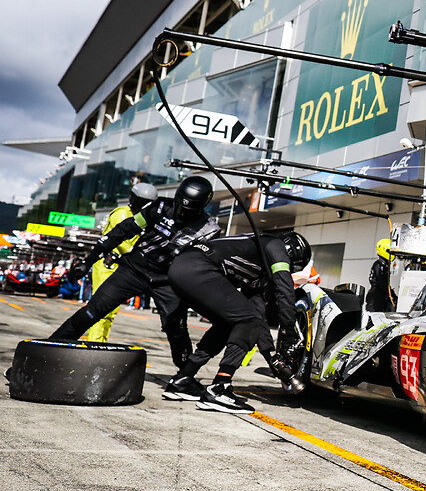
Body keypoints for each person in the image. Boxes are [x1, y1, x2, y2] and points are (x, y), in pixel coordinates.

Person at [52, 176, 218, 368]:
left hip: (168, 281)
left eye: (188, 212)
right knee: (92, 311)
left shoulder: (210, 230)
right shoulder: (160, 206)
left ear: (202, 206)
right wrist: (88, 262)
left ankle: (185, 378)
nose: (181, 214)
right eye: (180, 207)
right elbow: (123, 230)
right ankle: (48, 348)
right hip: (133, 270)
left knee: (177, 330)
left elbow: (202, 266)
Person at [161, 231, 311, 414]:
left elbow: (258, 317)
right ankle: (219, 388)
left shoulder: (256, 262)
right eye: (291, 268)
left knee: (230, 323)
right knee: (247, 321)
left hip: (182, 269)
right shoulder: (275, 245)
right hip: (197, 268)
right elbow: (284, 290)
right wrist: (288, 335)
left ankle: (182, 380)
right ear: (291, 253)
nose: (288, 271)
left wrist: (271, 356)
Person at [82, 182, 158, 343]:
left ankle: (100, 343)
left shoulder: (142, 219)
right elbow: (124, 244)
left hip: (120, 267)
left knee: (111, 311)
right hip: (107, 265)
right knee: (100, 309)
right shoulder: (123, 214)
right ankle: (93, 344)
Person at [367, 238, 398, 313]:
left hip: (380, 296)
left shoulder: (383, 264)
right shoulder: (379, 264)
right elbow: (381, 281)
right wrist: (392, 295)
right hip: (376, 297)